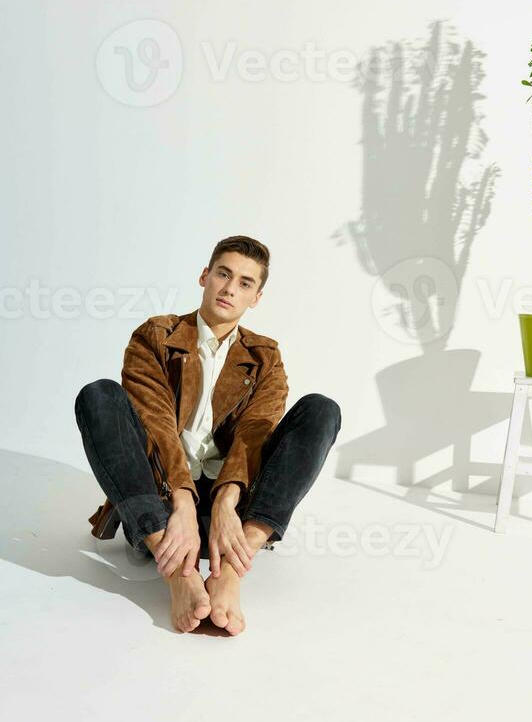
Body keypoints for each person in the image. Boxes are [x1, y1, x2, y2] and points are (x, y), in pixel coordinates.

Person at [74, 235, 342, 635]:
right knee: (98, 395)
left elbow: (257, 431)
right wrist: (181, 500)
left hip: (232, 519)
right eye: (223, 274)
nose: (230, 288)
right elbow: (156, 423)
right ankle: (179, 574)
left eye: (245, 283)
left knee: (322, 409)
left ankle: (230, 570)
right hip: (161, 508)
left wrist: (226, 503)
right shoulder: (156, 336)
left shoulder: (265, 355)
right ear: (205, 276)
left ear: (256, 298)